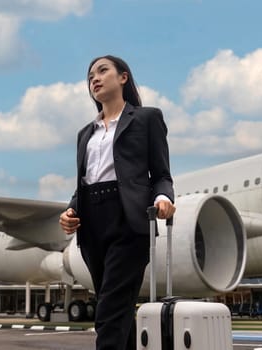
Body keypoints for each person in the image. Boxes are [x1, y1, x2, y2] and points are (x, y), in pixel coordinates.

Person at [59, 55, 176, 350]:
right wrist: (71, 209)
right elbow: (85, 182)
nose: (94, 79)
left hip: (128, 219)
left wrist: (163, 198)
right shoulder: (85, 134)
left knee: (109, 311)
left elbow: (161, 174)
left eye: (102, 71)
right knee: (118, 310)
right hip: (92, 225)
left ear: (123, 77)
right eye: (89, 77)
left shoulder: (147, 118)